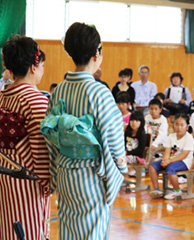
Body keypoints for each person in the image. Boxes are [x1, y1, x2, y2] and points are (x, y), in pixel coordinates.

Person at [40, 22, 127, 239]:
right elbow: (114, 138)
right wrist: (121, 166)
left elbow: (51, 138)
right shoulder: (99, 92)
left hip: (65, 173)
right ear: (96, 54)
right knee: (92, 233)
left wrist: (54, 173)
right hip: (91, 175)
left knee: (69, 230)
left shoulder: (59, 90)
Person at [0, 36, 50, 240]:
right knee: (28, 232)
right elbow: (40, 151)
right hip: (27, 183)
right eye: (42, 65)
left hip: (4, 177)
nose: (43, 70)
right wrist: (48, 184)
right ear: (33, 66)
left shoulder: (3, 96)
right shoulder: (36, 100)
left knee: (6, 230)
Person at [149, 113, 194, 199]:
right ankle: (157, 190)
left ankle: (177, 190)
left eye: (182, 125)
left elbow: (184, 155)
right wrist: (165, 160)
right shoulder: (171, 136)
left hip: (184, 162)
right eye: (176, 124)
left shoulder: (189, 138)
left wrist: (169, 161)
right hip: (171, 160)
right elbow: (167, 151)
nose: (179, 127)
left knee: (170, 168)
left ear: (187, 127)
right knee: (153, 166)